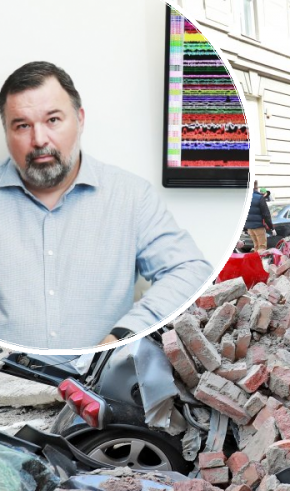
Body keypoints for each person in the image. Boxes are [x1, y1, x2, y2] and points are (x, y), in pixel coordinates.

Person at [0, 61, 213, 349]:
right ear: (6, 132)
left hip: (101, 387)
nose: (39, 140)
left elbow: (190, 270)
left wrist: (126, 334)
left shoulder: (131, 197)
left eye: (53, 120)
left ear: (80, 119)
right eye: (22, 125)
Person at [245, 181, 275, 252]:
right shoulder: (259, 198)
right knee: (262, 247)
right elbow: (266, 214)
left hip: (249, 228)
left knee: (256, 246)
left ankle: (255, 262)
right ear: (256, 187)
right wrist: (272, 228)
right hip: (258, 227)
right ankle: (260, 262)